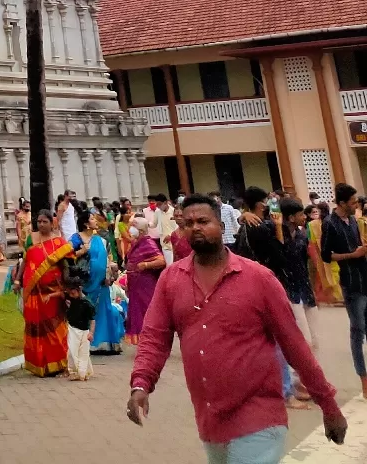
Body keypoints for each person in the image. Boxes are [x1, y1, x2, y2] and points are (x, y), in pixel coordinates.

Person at [128, 195, 346, 462]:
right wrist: (141, 384)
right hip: (210, 419)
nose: (195, 227)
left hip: (259, 415)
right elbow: (155, 338)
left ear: (221, 225)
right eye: (188, 223)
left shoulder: (259, 279)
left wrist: (328, 404)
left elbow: (295, 346)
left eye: (203, 221)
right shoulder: (171, 280)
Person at [322, 181, 367, 398]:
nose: (356, 204)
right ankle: (364, 379)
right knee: (358, 330)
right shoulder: (330, 223)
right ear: (341, 203)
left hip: (365, 278)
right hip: (350, 283)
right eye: (352, 201)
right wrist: (352, 255)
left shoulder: (352, 221)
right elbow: (326, 255)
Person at [22, 207, 74, 377]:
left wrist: (67, 287)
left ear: (52, 224)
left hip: (53, 293)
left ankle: (58, 362)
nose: (41, 225)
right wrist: (17, 280)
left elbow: (65, 266)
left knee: (55, 328)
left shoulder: (59, 242)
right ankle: (40, 364)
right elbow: (26, 260)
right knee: (37, 327)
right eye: (39, 222)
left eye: (45, 222)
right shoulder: (31, 239)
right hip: (35, 291)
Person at [76, 206, 123, 355]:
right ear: (85, 223)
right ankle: (87, 343)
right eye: (92, 218)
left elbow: (109, 258)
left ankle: (104, 343)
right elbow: (68, 257)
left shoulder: (102, 240)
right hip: (85, 284)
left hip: (102, 283)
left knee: (103, 310)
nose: (95, 221)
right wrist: (82, 251)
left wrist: (110, 272)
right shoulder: (75, 239)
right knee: (87, 312)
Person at [279, 196, 320, 353]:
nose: (304, 217)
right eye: (301, 214)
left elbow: (307, 262)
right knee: (304, 341)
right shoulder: (276, 235)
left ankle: (309, 374)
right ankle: (299, 376)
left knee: (315, 340)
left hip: (305, 289)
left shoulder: (302, 235)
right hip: (289, 291)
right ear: (290, 217)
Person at [124, 214, 165, 345]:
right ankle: (144, 341)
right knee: (138, 313)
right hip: (135, 285)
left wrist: (146, 265)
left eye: (133, 227)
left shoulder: (148, 243)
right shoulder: (136, 243)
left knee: (147, 311)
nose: (130, 229)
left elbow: (161, 260)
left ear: (141, 230)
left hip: (145, 284)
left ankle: (152, 341)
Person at [308, 203, 340, 304]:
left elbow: (312, 241)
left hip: (322, 254)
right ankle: (337, 297)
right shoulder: (334, 221)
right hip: (335, 253)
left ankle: (335, 297)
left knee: (326, 275)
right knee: (335, 274)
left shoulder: (312, 224)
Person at [65, 281, 96, 382]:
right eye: (70, 294)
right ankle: (74, 371)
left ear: (79, 290)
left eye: (73, 293)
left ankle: (82, 372)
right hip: (72, 328)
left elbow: (92, 320)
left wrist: (91, 333)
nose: (71, 296)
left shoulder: (87, 304)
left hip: (84, 331)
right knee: (72, 351)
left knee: (83, 352)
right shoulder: (71, 299)